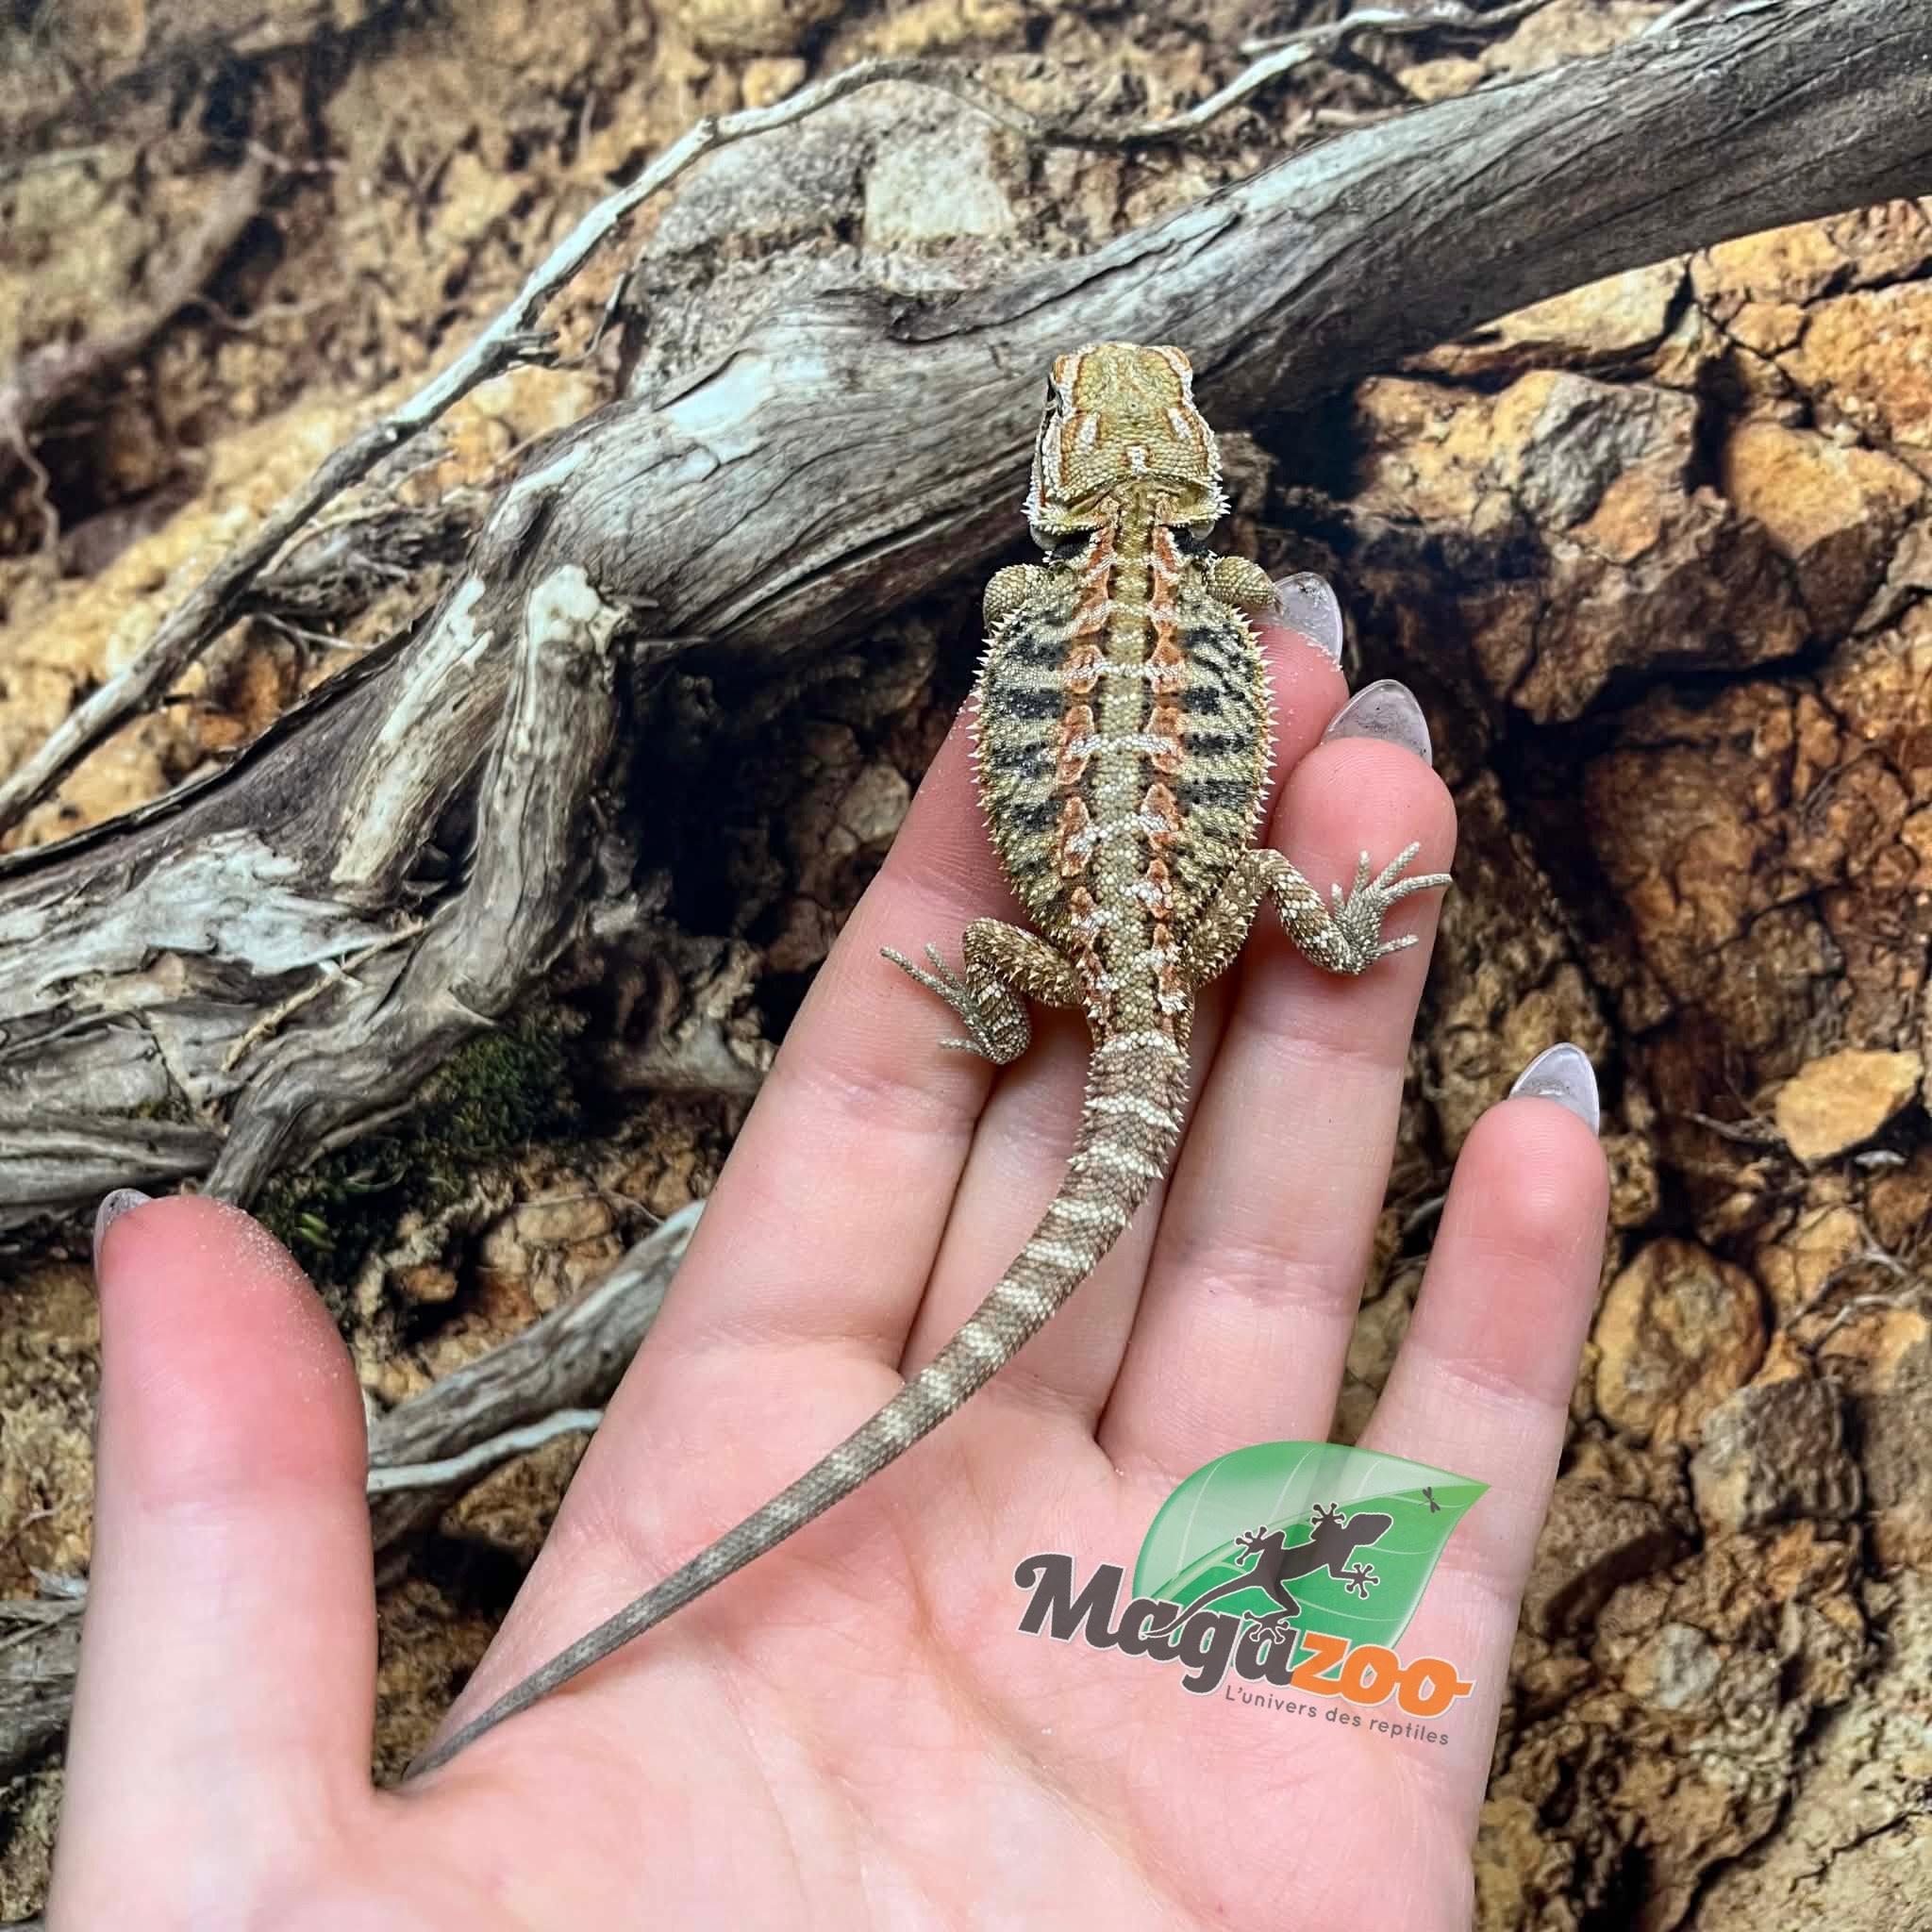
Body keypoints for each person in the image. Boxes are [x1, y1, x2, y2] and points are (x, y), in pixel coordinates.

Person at [49, 607, 1607, 1930]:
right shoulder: (1161, 613)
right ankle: (1310, 932)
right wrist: (1321, 920)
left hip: (1089, 964)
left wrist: (1007, 1010)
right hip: (1174, 931)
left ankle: (1035, 1006)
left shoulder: (1049, 621)